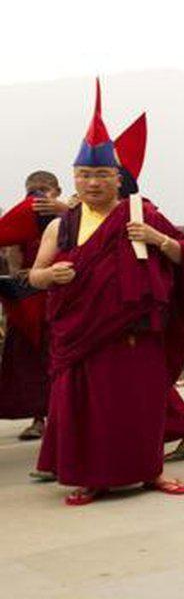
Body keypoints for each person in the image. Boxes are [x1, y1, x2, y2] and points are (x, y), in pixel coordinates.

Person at [29, 81, 184, 504]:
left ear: (117, 177)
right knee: (87, 410)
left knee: (138, 407)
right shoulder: (62, 225)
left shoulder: (143, 214)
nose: (92, 183)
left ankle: (150, 472)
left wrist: (157, 240)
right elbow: (33, 275)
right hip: (82, 336)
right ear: (75, 178)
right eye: (84, 175)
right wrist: (51, 278)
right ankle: (90, 477)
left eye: (101, 174)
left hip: (134, 332)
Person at [0, 172, 67, 438]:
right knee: (29, 362)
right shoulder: (24, 219)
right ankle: (38, 419)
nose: (37, 196)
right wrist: (20, 273)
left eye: (43, 189)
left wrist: (63, 211)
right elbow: (13, 252)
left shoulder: (69, 214)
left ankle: (64, 418)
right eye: (31, 190)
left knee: (59, 360)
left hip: (60, 297)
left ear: (57, 191)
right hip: (31, 299)